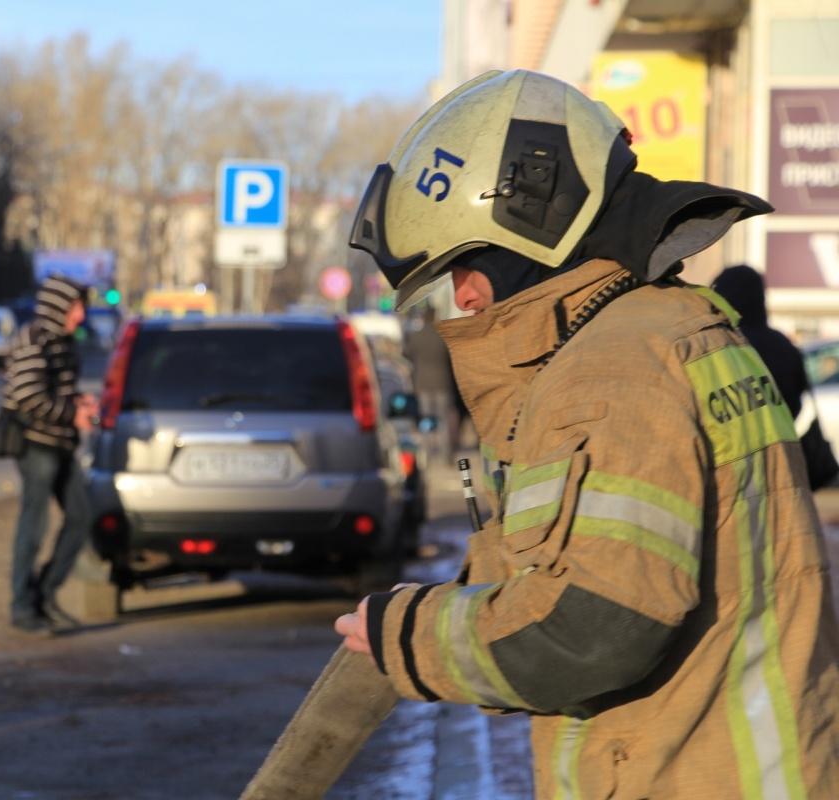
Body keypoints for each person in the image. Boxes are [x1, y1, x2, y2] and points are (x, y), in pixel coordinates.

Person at [337, 69, 838, 797]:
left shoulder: (610, 369)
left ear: (538, 225)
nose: (463, 295)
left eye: (467, 263)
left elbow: (595, 627)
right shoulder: (680, 327)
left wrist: (406, 635)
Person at [2, 275, 99, 633]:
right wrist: (71, 413)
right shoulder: (33, 339)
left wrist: (78, 403)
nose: (81, 315)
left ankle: (46, 592)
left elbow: (54, 391)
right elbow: (28, 395)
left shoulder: (64, 342)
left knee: (81, 517)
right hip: (35, 445)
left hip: (62, 443)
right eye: (76, 307)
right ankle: (22, 606)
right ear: (59, 307)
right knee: (34, 525)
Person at [711, 264, 838, 489]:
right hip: (779, 456)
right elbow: (797, 402)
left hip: (729, 460)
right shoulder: (781, 344)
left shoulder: (720, 343)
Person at [402, 304, 467, 463]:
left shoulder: (417, 336)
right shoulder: (443, 337)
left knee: (427, 419)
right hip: (442, 383)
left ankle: (428, 452)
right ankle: (447, 454)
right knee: (444, 419)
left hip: (423, 383)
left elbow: (406, 354)